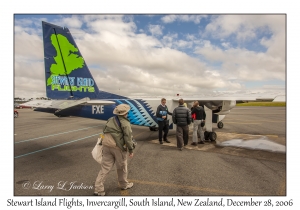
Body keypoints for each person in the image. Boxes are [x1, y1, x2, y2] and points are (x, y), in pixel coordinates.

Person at [94, 104, 135, 196]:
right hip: (118, 148)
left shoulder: (110, 119)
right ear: (126, 113)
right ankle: (124, 184)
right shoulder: (125, 123)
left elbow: (104, 131)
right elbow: (128, 138)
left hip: (106, 145)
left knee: (105, 168)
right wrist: (131, 150)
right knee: (122, 167)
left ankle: (98, 189)